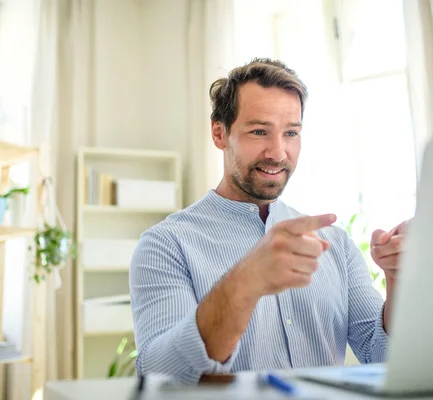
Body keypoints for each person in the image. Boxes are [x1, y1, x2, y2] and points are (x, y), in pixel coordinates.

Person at [129, 58, 408, 384]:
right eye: (259, 131)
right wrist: (244, 282)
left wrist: (398, 280)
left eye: (291, 133)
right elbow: (161, 376)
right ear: (219, 134)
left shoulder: (336, 244)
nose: (278, 152)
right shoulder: (165, 245)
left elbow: (383, 356)